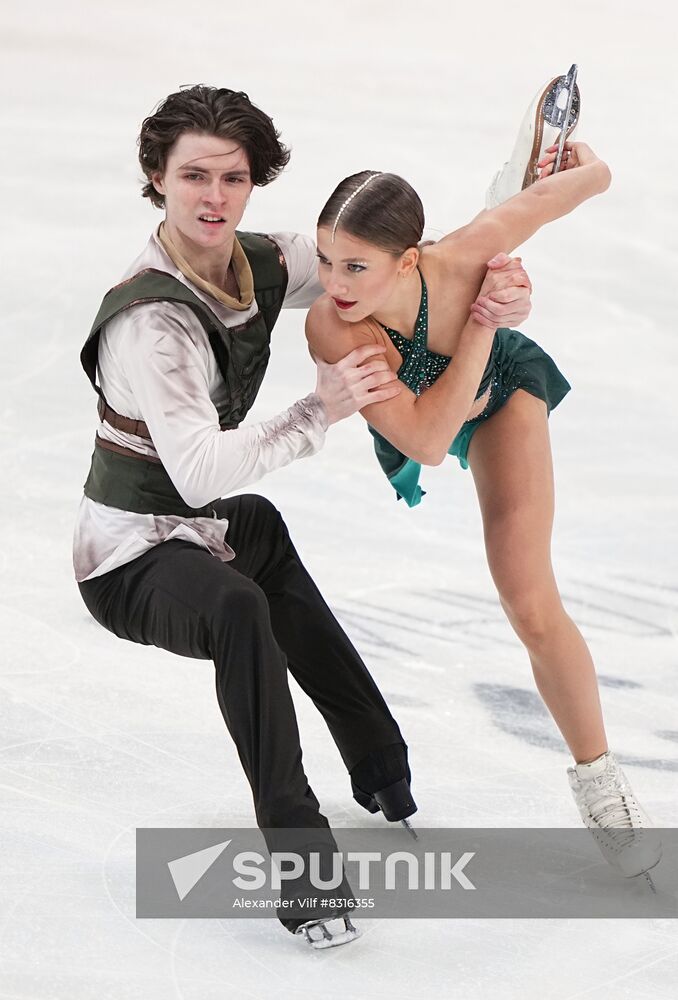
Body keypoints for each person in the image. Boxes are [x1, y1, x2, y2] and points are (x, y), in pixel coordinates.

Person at [72, 84, 534, 945]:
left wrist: (492, 293)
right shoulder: (155, 322)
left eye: (234, 177)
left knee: (264, 542)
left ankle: (383, 773)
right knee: (238, 606)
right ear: (156, 179)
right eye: (194, 176)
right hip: (126, 558)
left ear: (254, 183)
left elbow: (386, 266)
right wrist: (318, 409)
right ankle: (304, 871)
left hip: (201, 531)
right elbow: (203, 471)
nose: (215, 197)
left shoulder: (261, 261)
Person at [305, 118, 662, 884]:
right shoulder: (333, 328)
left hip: (500, 394)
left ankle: (601, 780)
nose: (335, 284)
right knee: (440, 421)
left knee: (528, 599)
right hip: (426, 408)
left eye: (356, 266)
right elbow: (428, 441)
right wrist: (480, 319)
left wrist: (581, 162)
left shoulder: (466, 252)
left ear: (408, 262)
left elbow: (585, 186)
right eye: (326, 259)